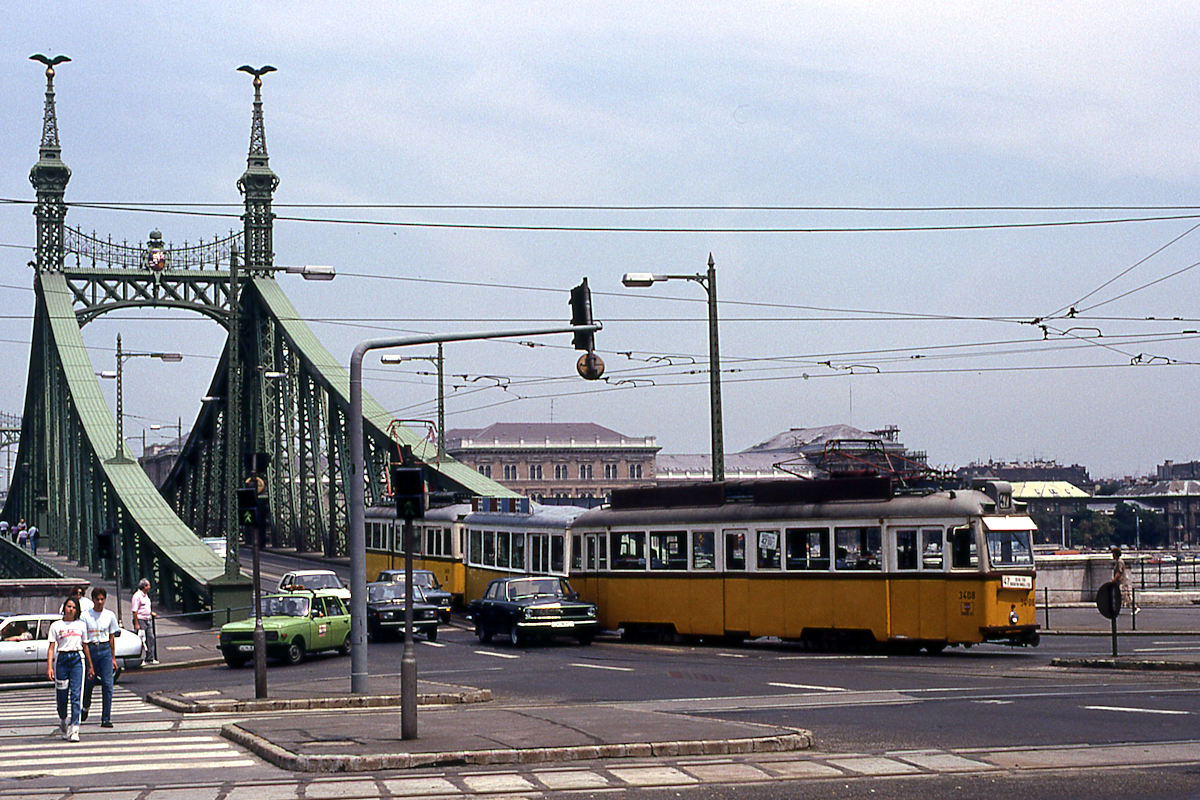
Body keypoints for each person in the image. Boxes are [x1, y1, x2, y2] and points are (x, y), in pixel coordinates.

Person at [47, 596, 93, 742]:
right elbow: (51, 647)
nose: (71, 610)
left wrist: (91, 666)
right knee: (62, 695)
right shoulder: (56, 626)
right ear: (64, 608)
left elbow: (85, 645)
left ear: (77, 610)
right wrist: (49, 667)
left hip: (77, 660)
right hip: (62, 660)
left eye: (73, 607)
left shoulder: (81, 625)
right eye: (68, 606)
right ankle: (63, 719)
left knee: (76, 695)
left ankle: (74, 728)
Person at [81, 587, 120, 728]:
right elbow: (84, 639)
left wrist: (113, 658)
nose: (99, 602)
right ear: (93, 600)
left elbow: (111, 638)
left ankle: (106, 717)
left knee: (107, 684)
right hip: (91, 649)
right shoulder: (85, 616)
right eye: (97, 599)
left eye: (102, 599)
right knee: (88, 683)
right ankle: (85, 707)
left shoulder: (109, 615)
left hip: (105, 650)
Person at [131, 578, 158, 663]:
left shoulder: (146, 595)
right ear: (144, 586)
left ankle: (150, 658)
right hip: (140, 620)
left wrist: (151, 613)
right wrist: (136, 623)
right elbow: (134, 610)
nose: (150, 587)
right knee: (141, 640)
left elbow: (145, 607)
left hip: (147, 619)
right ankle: (139, 659)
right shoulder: (137, 596)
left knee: (150, 638)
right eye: (148, 585)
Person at [1112, 545, 1133, 610]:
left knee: (1125, 596)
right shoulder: (1118, 562)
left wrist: (1114, 580)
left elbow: (1119, 572)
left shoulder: (1119, 562)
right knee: (1121, 596)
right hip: (1120, 582)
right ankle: (1116, 608)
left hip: (1121, 582)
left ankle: (1134, 607)